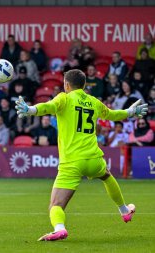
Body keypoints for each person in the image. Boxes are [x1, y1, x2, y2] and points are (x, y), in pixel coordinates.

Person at [15, 69, 148, 241]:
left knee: (55, 205)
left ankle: (59, 229)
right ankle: (124, 210)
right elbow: (112, 115)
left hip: (72, 161)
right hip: (93, 158)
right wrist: (130, 112)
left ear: (66, 84)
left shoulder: (64, 97)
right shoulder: (93, 101)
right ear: (84, 85)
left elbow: (49, 107)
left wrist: (30, 109)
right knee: (106, 176)